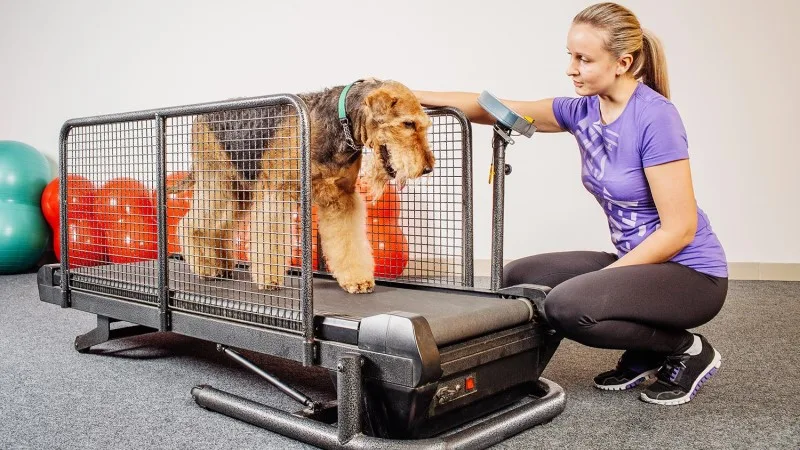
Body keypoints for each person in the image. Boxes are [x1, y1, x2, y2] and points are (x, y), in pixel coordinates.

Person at [414, 2, 728, 406]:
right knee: (518, 277)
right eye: (570, 56)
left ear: (622, 62)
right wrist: (407, 94)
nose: (571, 68)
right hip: (641, 262)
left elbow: (680, 229)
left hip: (691, 275)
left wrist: (606, 279)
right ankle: (644, 350)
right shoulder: (582, 110)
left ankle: (684, 348)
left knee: (568, 305)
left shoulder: (655, 117)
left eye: (583, 58)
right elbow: (492, 107)